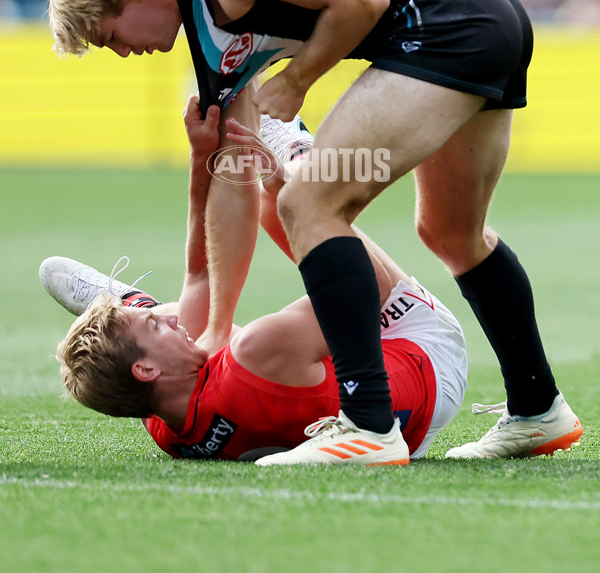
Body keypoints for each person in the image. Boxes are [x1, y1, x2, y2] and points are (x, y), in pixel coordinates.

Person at [47, 0, 582, 461]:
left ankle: (368, 425)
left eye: (108, 37)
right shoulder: (212, 54)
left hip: (449, 18)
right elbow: (235, 187)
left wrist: (298, 80)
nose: (123, 53)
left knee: (307, 202)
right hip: (474, 24)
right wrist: (216, 328)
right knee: (450, 233)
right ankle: (537, 409)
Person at [44, 103, 469, 466]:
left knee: (200, 323)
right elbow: (367, 288)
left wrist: (201, 159)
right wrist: (287, 184)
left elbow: (199, 274)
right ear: (146, 369)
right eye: (154, 323)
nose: (168, 322)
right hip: (425, 355)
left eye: (153, 318)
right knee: (284, 207)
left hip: (408, 427)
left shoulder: (161, 420)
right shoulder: (256, 352)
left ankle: (126, 303)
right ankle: (300, 154)